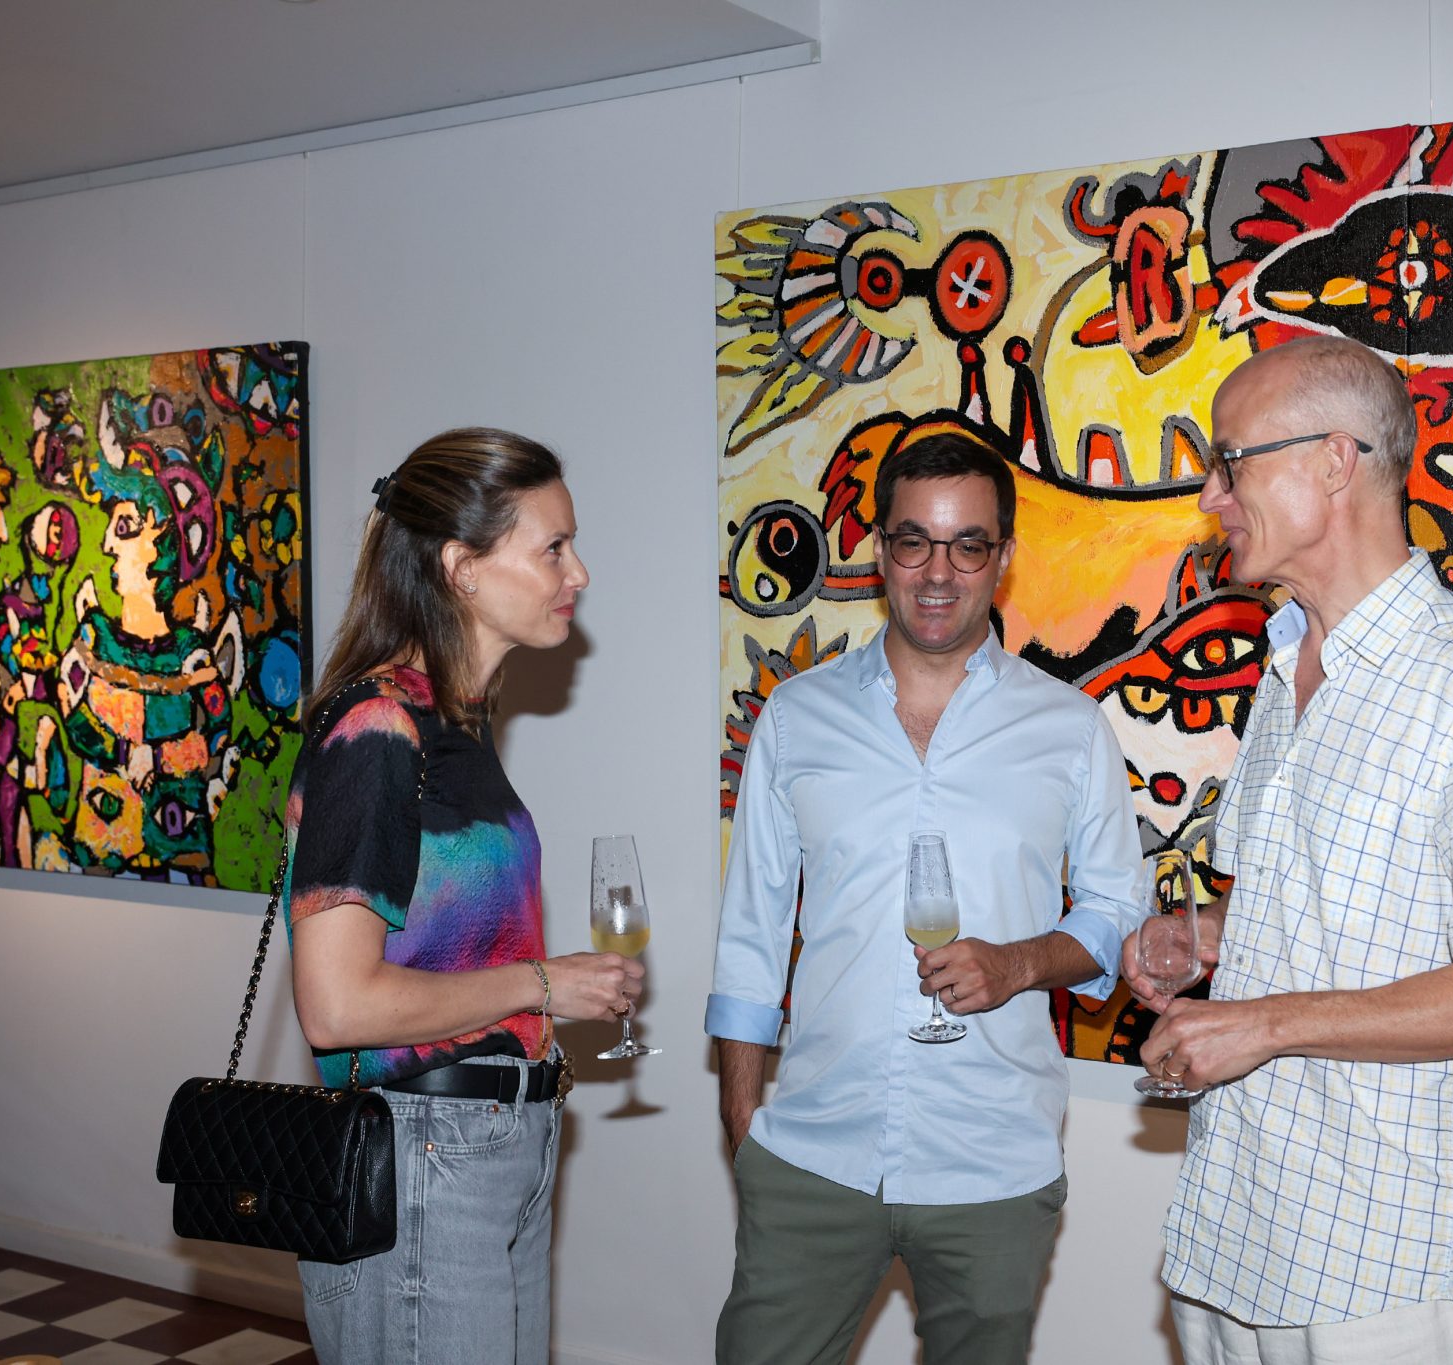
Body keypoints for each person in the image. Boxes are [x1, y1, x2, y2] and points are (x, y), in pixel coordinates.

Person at [1126, 337, 1453, 1364]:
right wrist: (1209, 933)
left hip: (1382, 1269)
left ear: (1334, 462)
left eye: (1229, 461)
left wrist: (1260, 1024)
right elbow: (1334, 904)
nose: (1210, 496)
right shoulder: (1285, 664)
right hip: (1234, 1229)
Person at [707, 421, 1143, 1365]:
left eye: (967, 545)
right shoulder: (797, 715)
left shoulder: (1069, 728)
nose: (938, 572)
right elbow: (751, 935)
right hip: (813, 1154)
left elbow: (1117, 912)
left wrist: (1017, 962)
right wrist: (745, 1127)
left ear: (1003, 559)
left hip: (993, 1161)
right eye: (914, 541)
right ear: (880, 550)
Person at [283, 428, 642, 1365]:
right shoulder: (377, 727)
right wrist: (542, 984)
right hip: (424, 1155)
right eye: (553, 547)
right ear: (463, 567)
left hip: (492, 1147)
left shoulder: (457, 723)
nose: (578, 572)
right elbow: (335, 1006)